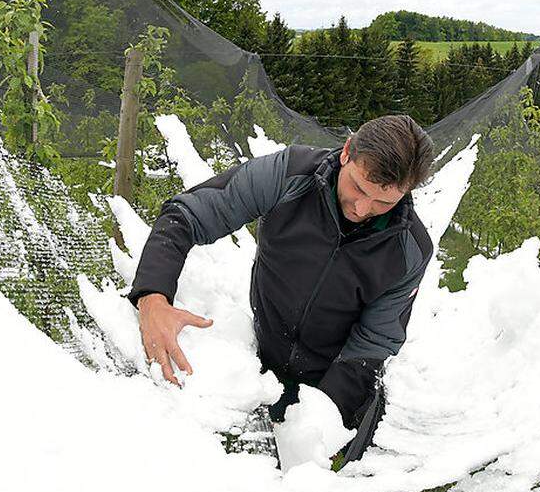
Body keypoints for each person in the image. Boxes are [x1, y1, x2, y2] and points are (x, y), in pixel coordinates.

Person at [128, 114, 435, 462]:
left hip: (338, 374)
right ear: (347, 152)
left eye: (383, 203)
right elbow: (186, 216)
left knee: (324, 485)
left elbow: (373, 344)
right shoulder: (289, 174)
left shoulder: (409, 250)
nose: (362, 209)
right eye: (358, 188)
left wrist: (323, 422)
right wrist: (153, 296)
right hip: (265, 353)